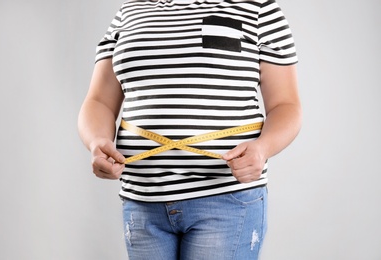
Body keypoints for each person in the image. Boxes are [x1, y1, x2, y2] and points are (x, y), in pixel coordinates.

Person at [78, 0, 301, 258]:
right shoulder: (130, 11)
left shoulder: (258, 8)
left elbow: (287, 105)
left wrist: (262, 149)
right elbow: (99, 100)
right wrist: (96, 141)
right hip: (142, 201)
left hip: (225, 198)